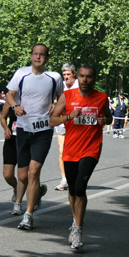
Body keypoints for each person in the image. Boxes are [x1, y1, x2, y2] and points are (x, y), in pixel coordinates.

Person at [50, 65, 112, 249]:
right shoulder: (67, 96)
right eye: (82, 76)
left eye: (89, 77)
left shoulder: (101, 98)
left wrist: (104, 121)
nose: (85, 80)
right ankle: (75, 219)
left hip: (91, 149)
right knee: (72, 191)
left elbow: (108, 118)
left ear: (94, 79)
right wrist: (68, 116)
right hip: (70, 149)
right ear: (79, 77)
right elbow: (52, 120)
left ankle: (78, 228)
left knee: (79, 187)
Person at [5, 44, 63, 230]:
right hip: (23, 129)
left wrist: (56, 104)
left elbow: (63, 98)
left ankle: (28, 215)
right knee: (22, 175)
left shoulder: (54, 77)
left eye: (42, 55)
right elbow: (10, 95)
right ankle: (36, 192)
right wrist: (15, 107)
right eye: (35, 54)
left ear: (47, 58)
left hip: (43, 131)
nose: (38, 57)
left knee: (33, 172)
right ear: (31, 56)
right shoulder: (21, 73)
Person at [54, 63, 78, 191]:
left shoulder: (80, 85)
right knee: (61, 150)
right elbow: (55, 101)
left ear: (74, 74)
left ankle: (75, 177)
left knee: (76, 150)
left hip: (77, 124)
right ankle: (64, 180)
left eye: (68, 74)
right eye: (64, 75)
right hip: (63, 121)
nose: (66, 77)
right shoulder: (60, 86)